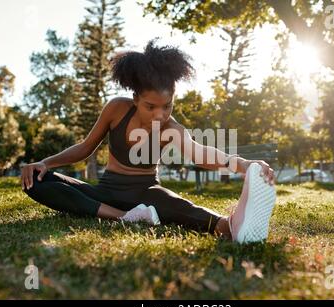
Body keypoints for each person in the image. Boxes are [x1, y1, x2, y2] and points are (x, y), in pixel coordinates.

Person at [21, 40, 276, 243]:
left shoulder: (171, 128)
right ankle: (127, 218)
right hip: (106, 192)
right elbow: (86, 148)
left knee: (175, 205)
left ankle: (232, 224)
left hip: (147, 194)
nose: (160, 114)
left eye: (167, 106)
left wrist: (242, 165)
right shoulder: (116, 109)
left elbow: (198, 154)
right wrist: (45, 163)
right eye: (150, 106)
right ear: (135, 99)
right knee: (36, 183)